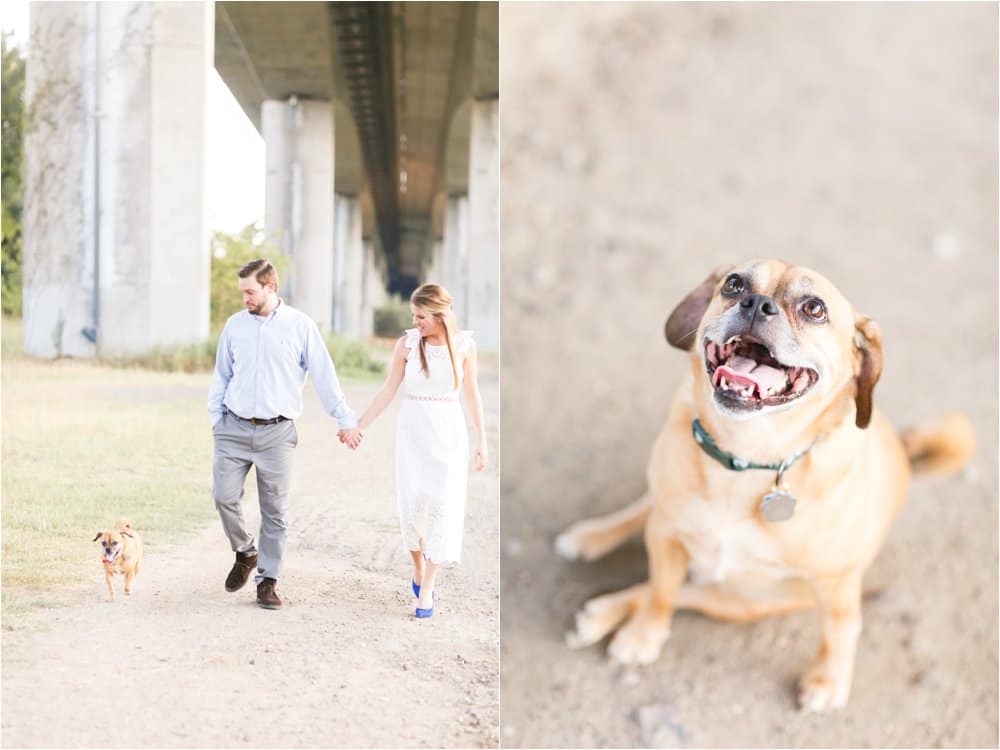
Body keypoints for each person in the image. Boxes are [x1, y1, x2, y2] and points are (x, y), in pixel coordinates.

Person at [208, 258, 362, 610]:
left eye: (250, 291)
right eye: (242, 292)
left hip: (277, 433)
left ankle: (267, 580)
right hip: (232, 427)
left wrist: (345, 418)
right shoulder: (234, 327)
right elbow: (222, 376)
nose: (244, 298)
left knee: (274, 510)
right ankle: (246, 551)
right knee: (223, 496)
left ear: (270, 287)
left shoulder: (301, 327)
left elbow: (324, 377)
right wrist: (216, 420)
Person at [355, 283, 487, 618]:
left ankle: (427, 587)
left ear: (440, 314)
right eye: (413, 315)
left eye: (421, 316)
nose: (416, 322)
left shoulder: (464, 346)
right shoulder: (407, 345)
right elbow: (388, 390)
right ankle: (417, 566)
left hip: (449, 434)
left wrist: (482, 440)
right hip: (413, 433)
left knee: (443, 506)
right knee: (413, 506)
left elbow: (471, 395)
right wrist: (360, 425)